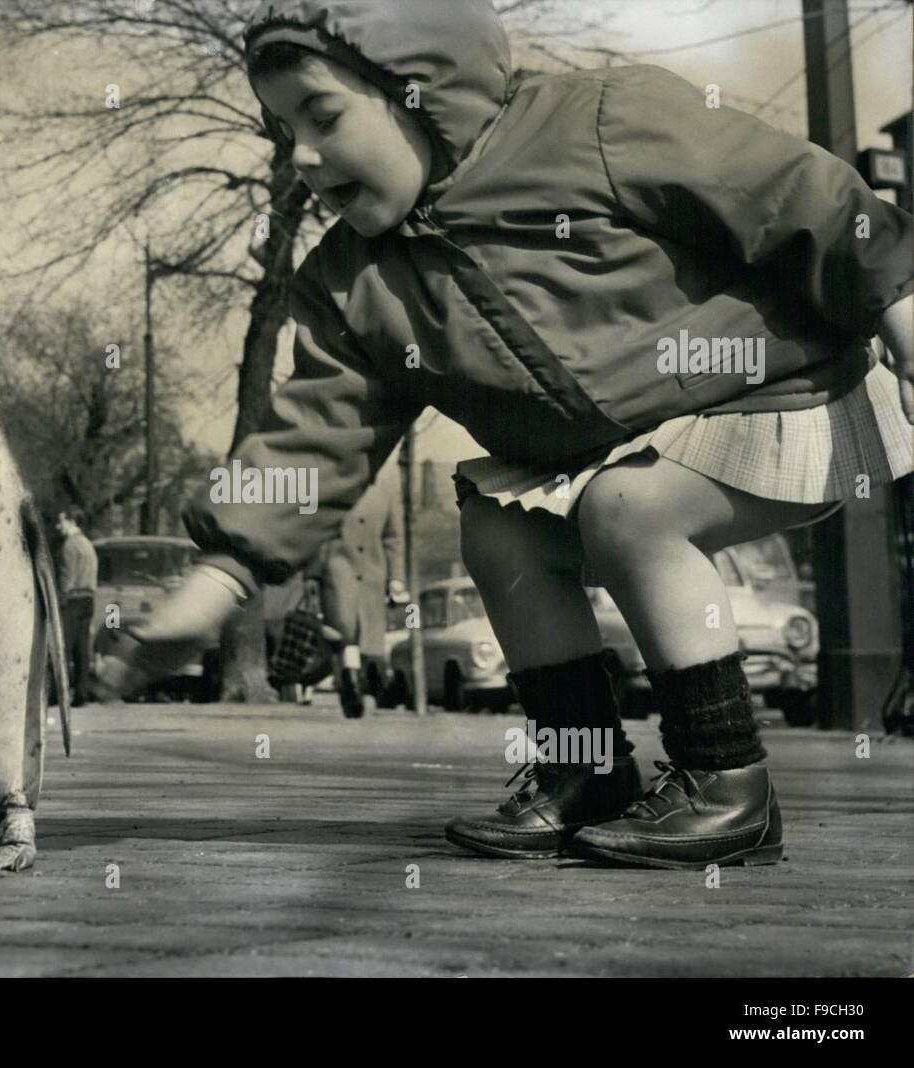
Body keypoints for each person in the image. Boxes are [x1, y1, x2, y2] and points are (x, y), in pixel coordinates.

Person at [97, 0, 913, 870]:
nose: (301, 156)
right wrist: (222, 574)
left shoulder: (599, 122)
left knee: (628, 508)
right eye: (282, 127)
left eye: (324, 116)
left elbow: (790, 192)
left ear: (419, 90)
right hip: (623, 449)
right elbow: (313, 436)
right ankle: (584, 767)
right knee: (497, 524)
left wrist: (899, 303)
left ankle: (728, 783)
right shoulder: (351, 285)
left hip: (791, 393)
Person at [316, 461, 407, 717]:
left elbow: (393, 536)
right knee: (346, 631)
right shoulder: (329, 470)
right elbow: (310, 526)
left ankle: (360, 682)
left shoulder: (388, 480)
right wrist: (313, 573)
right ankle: (350, 683)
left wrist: (396, 578)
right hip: (336, 566)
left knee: (367, 639)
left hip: (372, 573)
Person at [55, 506, 98, 706]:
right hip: (88, 599)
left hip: (72, 600)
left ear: (72, 522)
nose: (58, 526)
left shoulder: (70, 546)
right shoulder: (87, 544)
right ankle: (82, 693)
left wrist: (59, 601)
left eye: (61, 521)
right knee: (82, 650)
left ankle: (58, 694)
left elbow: (67, 577)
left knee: (63, 647)